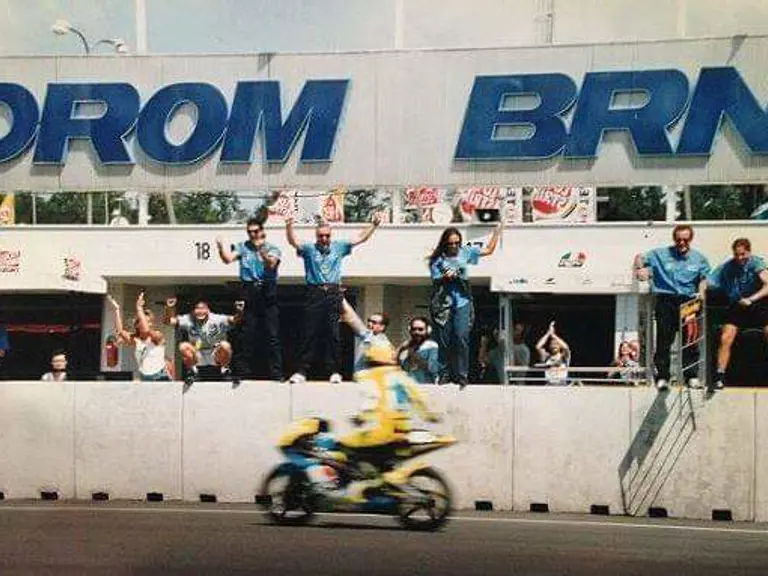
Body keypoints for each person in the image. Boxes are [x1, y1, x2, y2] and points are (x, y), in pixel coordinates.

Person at [286, 214, 381, 384]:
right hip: (314, 291)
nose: (324, 239)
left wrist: (373, 225)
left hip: (333, 291)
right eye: (321, 236)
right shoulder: (309, 249)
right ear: (316, 236)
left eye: (327, 236)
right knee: (310, 333)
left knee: (333, 333)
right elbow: (293, 242)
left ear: (331, 235)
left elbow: (360, 238)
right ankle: (301, 371)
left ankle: (335, 371)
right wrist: (289, 226)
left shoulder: (339, 247)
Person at [633, 224, 710, 391]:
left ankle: (691, 376)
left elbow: (704, 278)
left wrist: (701, 292)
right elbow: (639, 257)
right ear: (674, 239)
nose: (682, 243)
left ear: (691, 239)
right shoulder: (660, 254)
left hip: (689, 302)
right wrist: (640, 269)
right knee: (664, 340)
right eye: (678, 239)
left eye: (685, 239)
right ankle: (663, 377)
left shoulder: (699, 258)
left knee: (690, 340)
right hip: (666, 299)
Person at [428, 224, 501, 388]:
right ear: (445, 244)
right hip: (443, 305)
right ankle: (444, 373)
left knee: (461, 336)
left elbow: (488, 250)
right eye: (450, 244)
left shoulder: (465, 252)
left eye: (457, 243)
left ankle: (462, 374)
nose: (454, 246)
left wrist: (497, 232)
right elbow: (435, 280)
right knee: (445, 340)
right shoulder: (437, 260)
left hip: (462, 301)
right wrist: (446, 277)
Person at [216, 216, 283, 381]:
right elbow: (227, 259)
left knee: (272, 335)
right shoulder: (242, 247)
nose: (253, 234)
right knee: (246, 334)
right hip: (249, 289)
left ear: (262, 231)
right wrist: (220, 247)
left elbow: (271, 264)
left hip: (267, 290)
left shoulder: (272, 248)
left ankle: (276, 373)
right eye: (250, 232)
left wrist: (262, 252)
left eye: (256, 231)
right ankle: (242, 372)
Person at [706, 238, 768, 390]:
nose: (740, 258)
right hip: (738, 305)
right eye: (736, 255)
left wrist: (751, 299)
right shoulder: (727, 266)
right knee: (726, 336)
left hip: (757, 304)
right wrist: (699, 292)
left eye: (743, 254)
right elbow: (708, 281)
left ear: (749, 252)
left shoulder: (756, 264)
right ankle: (720, 376)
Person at [164, 297, 244, 385]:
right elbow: (169, 322)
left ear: (208, 310)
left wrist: (239, 311)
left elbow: (235, 320)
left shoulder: (217, 318)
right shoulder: (188, 319)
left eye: (203, 308)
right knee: (183, 346)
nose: (200, 311)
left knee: (225, 345)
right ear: (193, 311)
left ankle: (225, 370)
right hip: (198, 354)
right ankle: (193, 371)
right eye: (197, 309)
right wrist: (169, 308)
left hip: (215, 354)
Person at [107, 291, 171, 381]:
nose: (148, 324)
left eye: (149, 322)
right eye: (145, 321)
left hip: (160, 376)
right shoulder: (136, 339)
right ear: (137, 325)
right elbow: (120, 331)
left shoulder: (157, 336)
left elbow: (146, 330)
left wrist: (139, 308)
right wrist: (117, 309)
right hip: (144, 377)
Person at [397, 316, 440, 384]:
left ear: (428, 330)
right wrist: (401, 348)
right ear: (410, 330)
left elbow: (433, 369)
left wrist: (414, 355)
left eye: (420, 329)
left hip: (425, 385)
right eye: (414, 329)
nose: (416, 332)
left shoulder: (431, 346)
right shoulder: (406, 346)